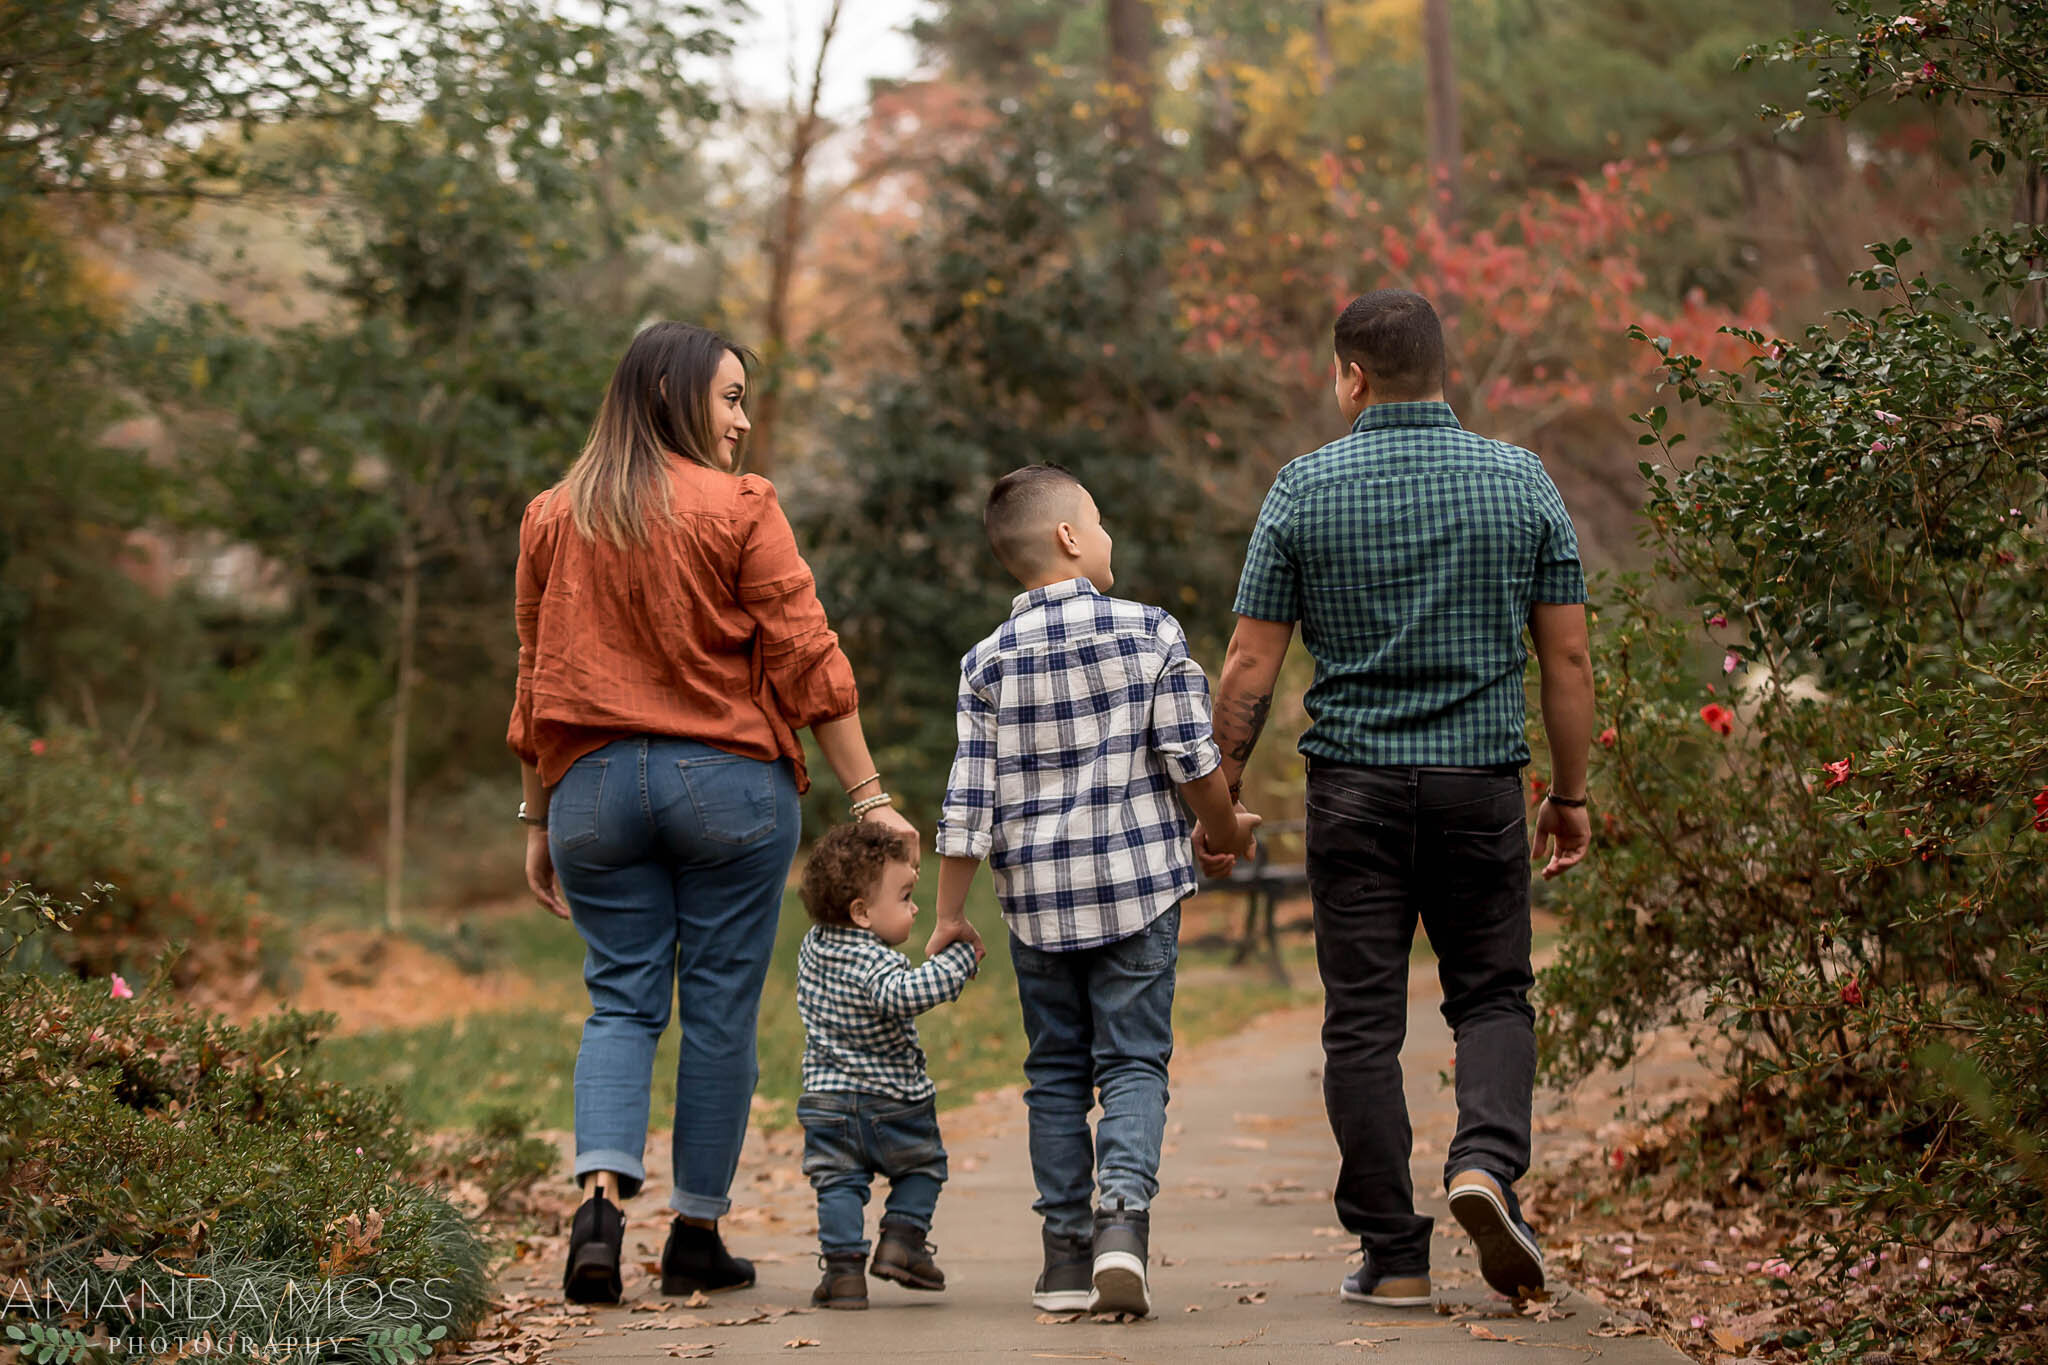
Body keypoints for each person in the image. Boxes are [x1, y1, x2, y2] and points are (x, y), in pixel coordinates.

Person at [507, 321, 928, 1306]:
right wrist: (869, 795)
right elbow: (805, 655)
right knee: (720, 1012)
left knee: (619, 1000)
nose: (743, 420)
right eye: (730, 397)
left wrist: (536, 817)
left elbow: (534, 675)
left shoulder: (551, 516)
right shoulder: (739, 507)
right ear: (673, 394)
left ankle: (601, 1206)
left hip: (592, 792)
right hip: (727, 786)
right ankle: (694, 1232)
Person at [1204, 289, 1594, 1307]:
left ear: (1351, 375)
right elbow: (1567, 657)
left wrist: (1221, 801)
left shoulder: (1301, 488)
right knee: (1492, 996)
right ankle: (1484, 1168)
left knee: (1362, 1023)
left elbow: (1248, 663)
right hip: (1477, 786)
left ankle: (1393, 1257)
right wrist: (1570, 793)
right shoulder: (1522, 482)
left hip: (1353, 791)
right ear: (1442, 369)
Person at [931, 465, 1261, 1318]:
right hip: (1137, 893)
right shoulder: (1150, 632)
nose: (1108, 534)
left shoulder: (985, 663)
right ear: (1071, 538)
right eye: (1101, 520)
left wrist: (948, 912)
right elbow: (1195, 760)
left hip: (1037, 907)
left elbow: (970, 800)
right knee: (1134, 1061)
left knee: (1053, 1075)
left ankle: (1067, 1258)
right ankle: (1123, 1224)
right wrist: (1224, 833)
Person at [794, 821, 981, 1311]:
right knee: (923, 1167)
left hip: (826, 1101)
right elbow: (903, 995)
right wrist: (958, 961)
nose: (915, 908)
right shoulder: (875, 963)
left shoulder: (813, 947)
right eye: (904, 897)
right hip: (893, 1103)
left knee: (836, 1181)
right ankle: (902, 1241)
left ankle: (842, 1275)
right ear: (860, 913)